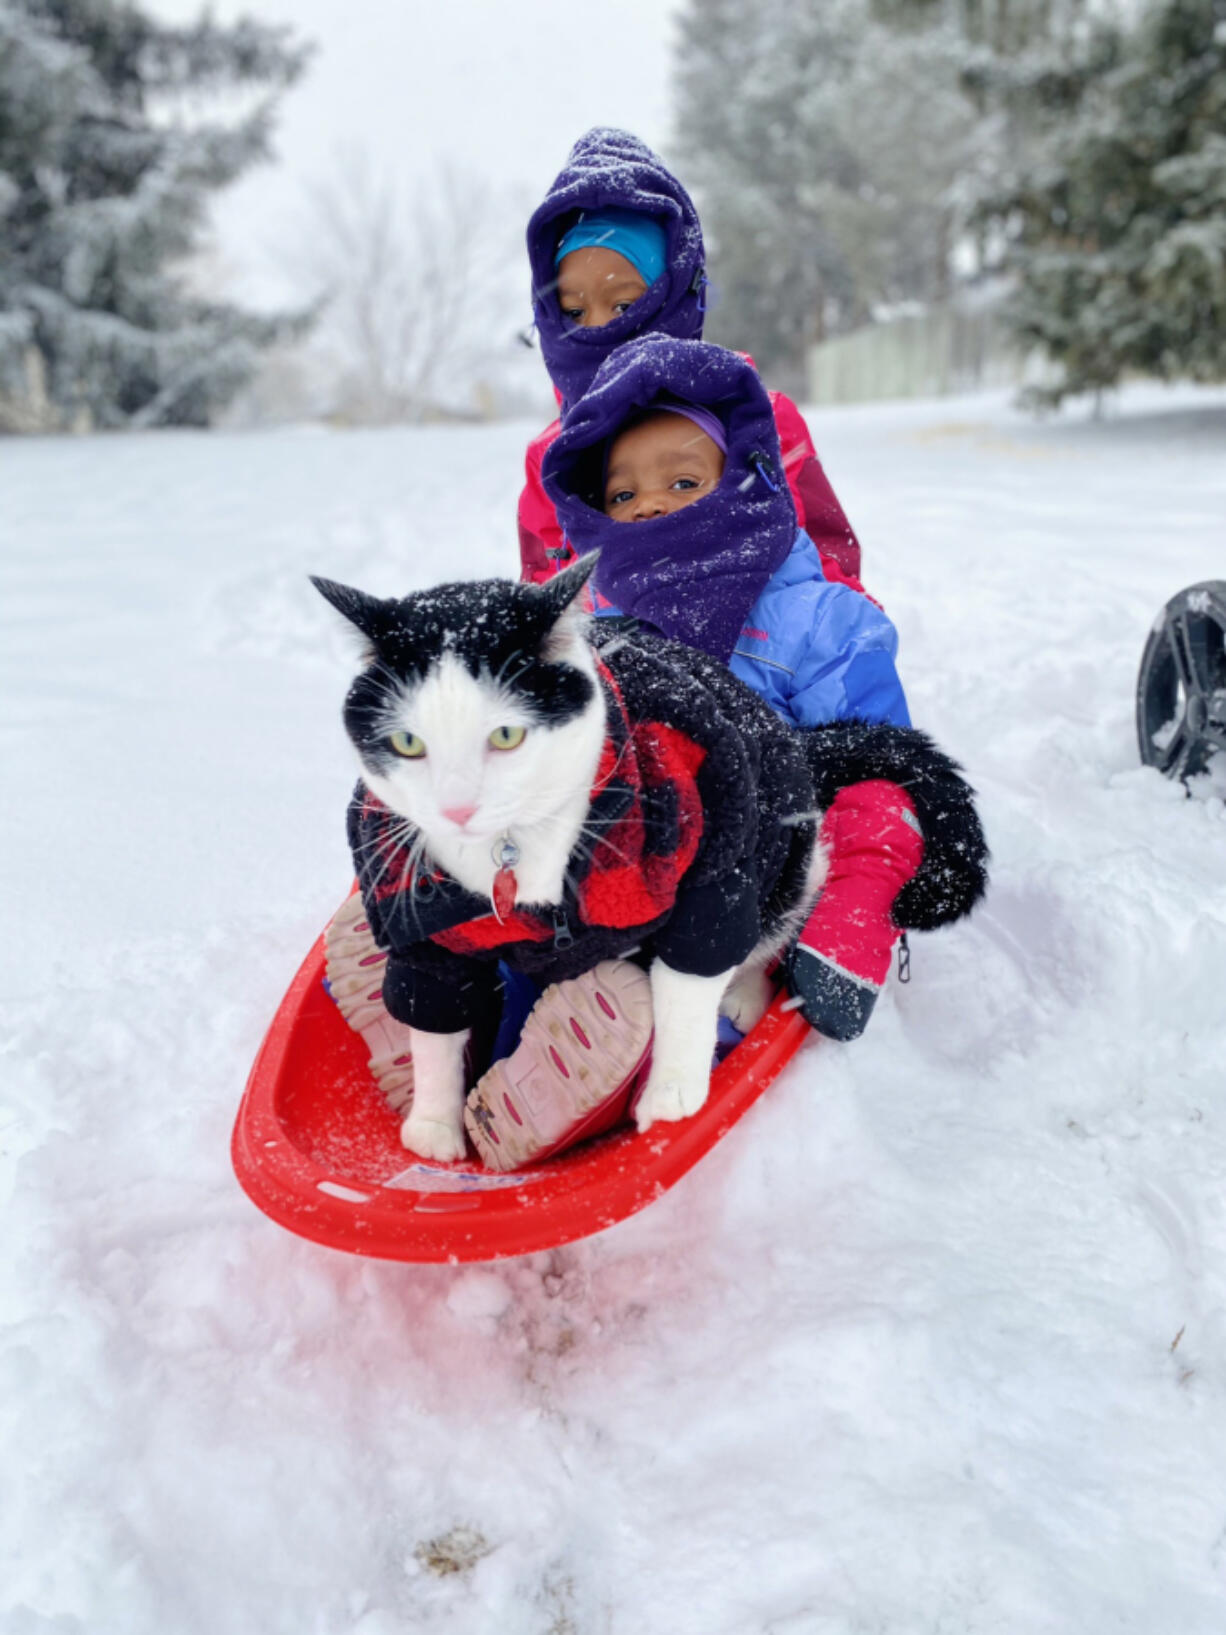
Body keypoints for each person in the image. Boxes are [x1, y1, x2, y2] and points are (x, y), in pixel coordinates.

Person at [542, 335, 925, 1042]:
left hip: (767, 893)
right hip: (635, 876)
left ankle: (624, 1041)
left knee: (686, 984)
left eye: (683, 482)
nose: (649, 505)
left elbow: (881, 776)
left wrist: (855, 914)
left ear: (746, 482)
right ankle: (462, 989)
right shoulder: (598, 635)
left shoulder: (821, 625)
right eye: (622, 494)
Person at [519, 127, 866, 600]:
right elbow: (542, 604)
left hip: (761, 668)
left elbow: (830, 564)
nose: (598, 327)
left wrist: (834, 646)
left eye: (623, 305)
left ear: (673, 295)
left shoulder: (756, 419)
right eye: (574, 312)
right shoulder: (553, 458)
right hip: (615, 670)